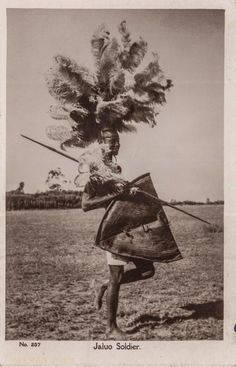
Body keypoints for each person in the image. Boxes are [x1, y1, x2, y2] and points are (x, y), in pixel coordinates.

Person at [82, 129, 155, 339]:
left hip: (129, 227)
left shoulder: (117, 168)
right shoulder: (96, 173)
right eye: (111, 142)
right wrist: (116, 194)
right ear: (101, 144)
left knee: (147, 271)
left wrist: (132, 191)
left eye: (117, 142)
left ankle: (102, 285)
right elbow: (85, 204)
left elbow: (122, 198)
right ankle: (111, 328)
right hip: (113, 231)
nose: (115, 145)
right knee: (117, 277)